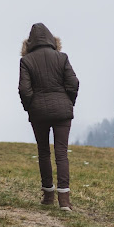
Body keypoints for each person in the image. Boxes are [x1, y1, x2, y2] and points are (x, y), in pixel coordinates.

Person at [19, 23, 79, 211]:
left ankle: (48, 196)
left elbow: (24, 90)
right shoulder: (62, 58)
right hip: (63, 111)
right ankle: (64, 200)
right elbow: (73, 83)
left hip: (39, 113)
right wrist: (69, 102)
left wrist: (30, 107)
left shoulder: (27, 61)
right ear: (52, 40)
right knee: (61, 153)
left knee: (43, 152)